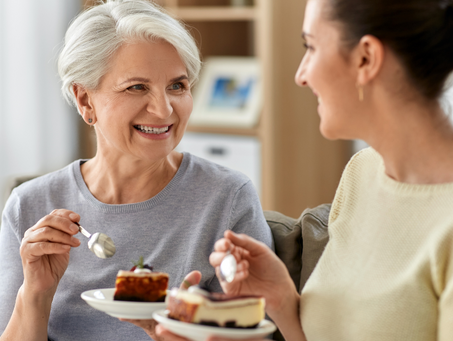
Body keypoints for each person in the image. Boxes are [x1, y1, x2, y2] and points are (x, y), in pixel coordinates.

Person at [156, 0, 453, 340]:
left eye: (310, 46)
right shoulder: (363, 173)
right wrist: (282, 301)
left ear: (366, 58)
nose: (300, 75)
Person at [0, 1, 273, 340]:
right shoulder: (29, 206)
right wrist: (36, 294)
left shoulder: (227, 197)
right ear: (85, 100)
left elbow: (258, 328)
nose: (163, 110)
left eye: (177, 86)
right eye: (137, 87)